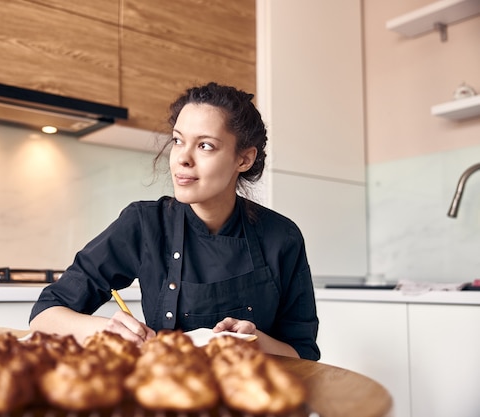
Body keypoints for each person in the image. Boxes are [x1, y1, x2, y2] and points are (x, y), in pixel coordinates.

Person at [29, 82, 320, 361]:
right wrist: (106, 331)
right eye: (178, 140)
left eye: (205, 146)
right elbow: (44, 315)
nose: (182, 158)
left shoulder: (282, 237)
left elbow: (303, 354)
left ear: (243, 159)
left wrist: (256, 341)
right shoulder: (144, 223)